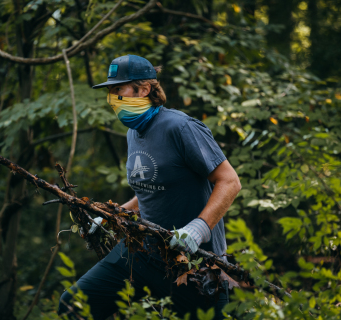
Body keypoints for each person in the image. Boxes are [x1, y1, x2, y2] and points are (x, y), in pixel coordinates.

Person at [58, 54, 241, 319]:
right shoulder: (134, 132)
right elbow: (152, 188)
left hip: (195, 264)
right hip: (142, 252)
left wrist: (197, 229)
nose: (112, 98)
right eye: (110, 91)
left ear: (143, 89)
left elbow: (230, 181)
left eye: (118, 89)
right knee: (73, 305)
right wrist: (113, 216)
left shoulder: (181, 127)